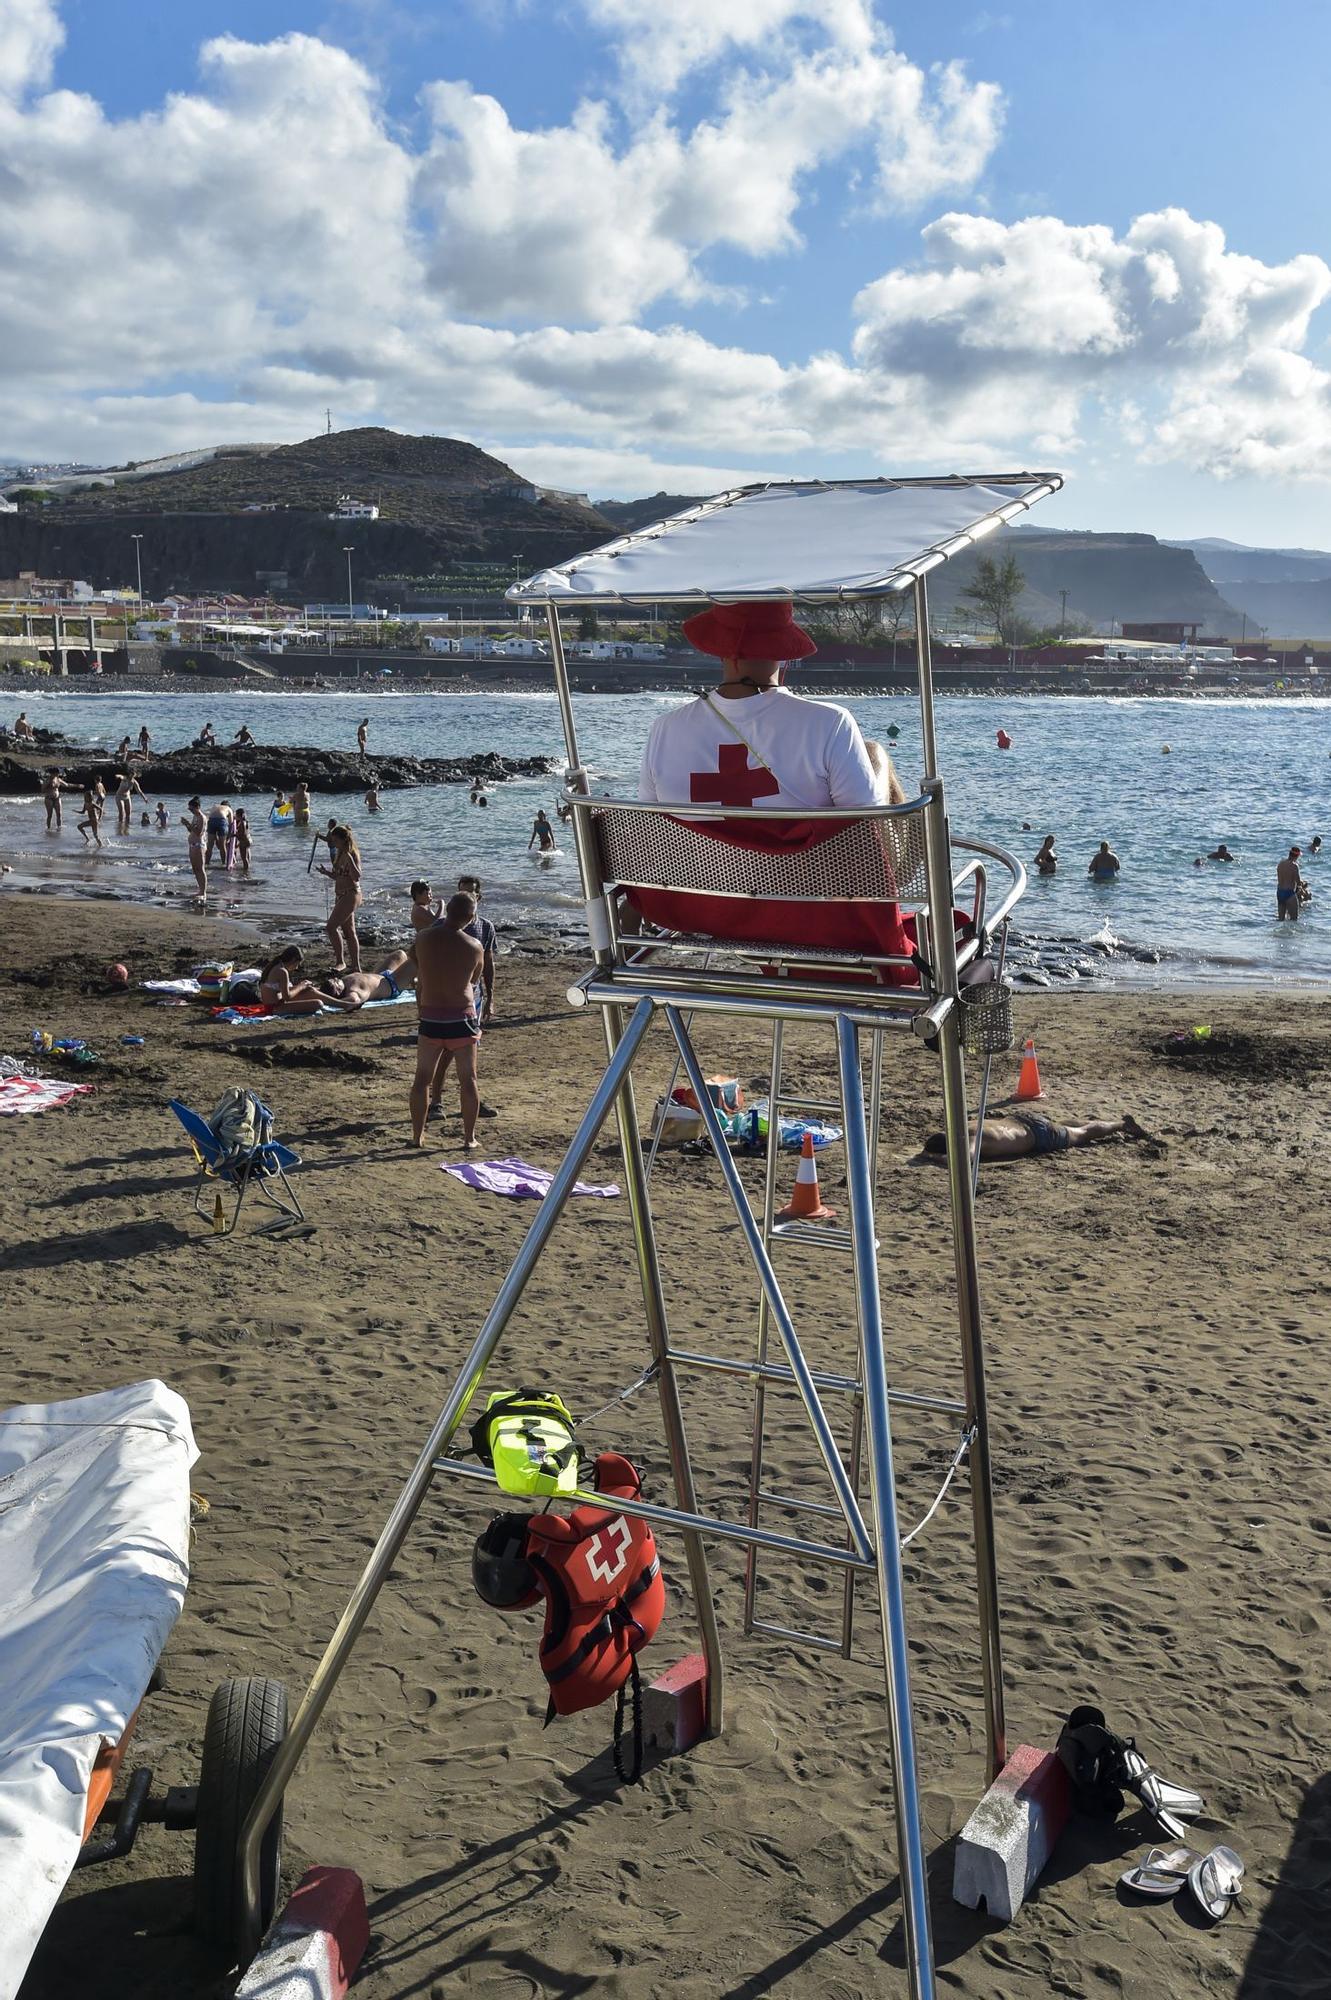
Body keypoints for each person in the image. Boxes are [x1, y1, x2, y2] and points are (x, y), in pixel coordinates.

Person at [639, 600, 903, 808]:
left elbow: (649, 822)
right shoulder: (830, 723)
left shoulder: (665, 728)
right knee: (875, 753)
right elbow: (867, 829)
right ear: (784, 649)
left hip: (693, 876)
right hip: (802, 876)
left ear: (718, 648)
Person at [411, 892, 485, 1148]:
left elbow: (417, 965)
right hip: (460, 1018)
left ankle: (417, 1136)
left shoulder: (423, 938)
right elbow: (474, 980)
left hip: (431, 1016)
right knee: (468, 1080)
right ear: (471, 917)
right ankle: (469, 1138)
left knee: (422, 1080)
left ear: (447, 910)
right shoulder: (474, 946)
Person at [923, 1110, 1147, 1162]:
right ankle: (1103, 1122)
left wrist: (935, 1158)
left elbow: (966, 1159)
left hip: (1037, 1135)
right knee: (1065, 1127)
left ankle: (1120, 1125)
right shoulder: (963, 1126)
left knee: (1081, 1135)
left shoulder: (972, 1141)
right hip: (1019, 1119)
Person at [258, 945, 358, 1014]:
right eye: (297, 964)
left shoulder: (275, 965)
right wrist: (301, 986)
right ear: (293, 960)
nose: (297, 968)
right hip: (275, 1008)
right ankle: (344, 1004)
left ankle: (344, 1004)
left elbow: (281, 993)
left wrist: (302, 986)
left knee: (310, 990)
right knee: (318, 1003)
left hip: (277, 1002)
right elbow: (287, 996)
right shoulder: (282, 971)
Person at [318, 823, 363, 970]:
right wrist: (326, 873)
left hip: (351, 893)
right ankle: (355, 966)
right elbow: (338, 876)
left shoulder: (352, 854)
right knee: (349, 931)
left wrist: (350, 859)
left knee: (330, 927)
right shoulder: (339, 854)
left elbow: (357, 877)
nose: (333, 843)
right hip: (341, 894)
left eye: (335, 840)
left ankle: (340, 962)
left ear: (343, 840)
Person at [319, 948, 416, 1007]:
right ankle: (416, 979)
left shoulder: (343, 983)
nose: (336, 978)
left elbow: (318, 991)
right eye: (335, 982)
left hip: (381, 976)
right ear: (338, 991)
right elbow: (354, 1001)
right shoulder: (353, 991)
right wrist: (331, 1001)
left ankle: (413, 978)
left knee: (400, 954)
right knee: (417, 958)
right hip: (392, 984)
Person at [180, 796, 207, 896]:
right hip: (192, 845)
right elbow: (191, 830)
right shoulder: (195, 816)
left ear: (197, 807)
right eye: (189, 809)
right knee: (195, 869)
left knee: (200, 868)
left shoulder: (202, 817)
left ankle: (203, 892)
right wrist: (186, 824)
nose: (190, 811)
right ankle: (200, 889)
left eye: (191, 809)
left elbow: (199, 832)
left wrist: (188, 823)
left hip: (199, 845)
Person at [1277, 846, 1304, 921]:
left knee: (1280, 919)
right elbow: (1298, 882)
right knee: (1294, 920)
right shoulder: (1294, 866)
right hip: (1289, 893)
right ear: (1297, 856)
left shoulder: (1280, 863)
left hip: (1279, 892)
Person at [205, 799, 233, 867]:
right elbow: (231, 824)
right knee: (222, 845)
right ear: (229, 806)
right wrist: (229, 836)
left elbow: (208, 817)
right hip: (221, 820)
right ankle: (224, 863)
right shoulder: (229, 809)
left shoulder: (215, 806)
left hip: (211, 820)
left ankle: (206, 863)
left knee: (210, 845)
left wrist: (216, 838)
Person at [77, 778, 105, 848]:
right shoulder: (85, 804)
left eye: (86, 797)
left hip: (95, 820)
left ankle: (101, 846)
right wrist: (76, 811)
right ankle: (88, 839)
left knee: (96, 835)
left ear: (90, 797)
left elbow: (101, 809)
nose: (84, 797)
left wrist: (99, 818)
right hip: (91, 820)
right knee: (79, 827)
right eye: (84, 796)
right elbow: (83, 812)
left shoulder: (92, 803)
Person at [233, 805, 252, 876]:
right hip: (248, 840)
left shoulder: (242, 823)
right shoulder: (245, 821)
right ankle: (247, 869)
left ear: (238, 815)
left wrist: (234, 835)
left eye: (236, 814)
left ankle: (246, 872)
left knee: (244, 858)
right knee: (246, 856)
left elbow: (242, 834)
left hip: (244, 841)